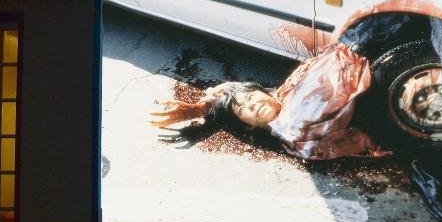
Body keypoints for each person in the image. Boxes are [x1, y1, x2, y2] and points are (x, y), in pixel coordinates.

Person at [150, 43, 390, 161]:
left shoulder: (283, 94)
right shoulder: (293, 135)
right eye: (243, 110)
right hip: (380, 97)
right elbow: (361, 140)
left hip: (357, 60)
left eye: (251, 97)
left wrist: (200, 107)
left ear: (264, 92)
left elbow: (227, 89)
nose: (251, 105)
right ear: (248, 125)